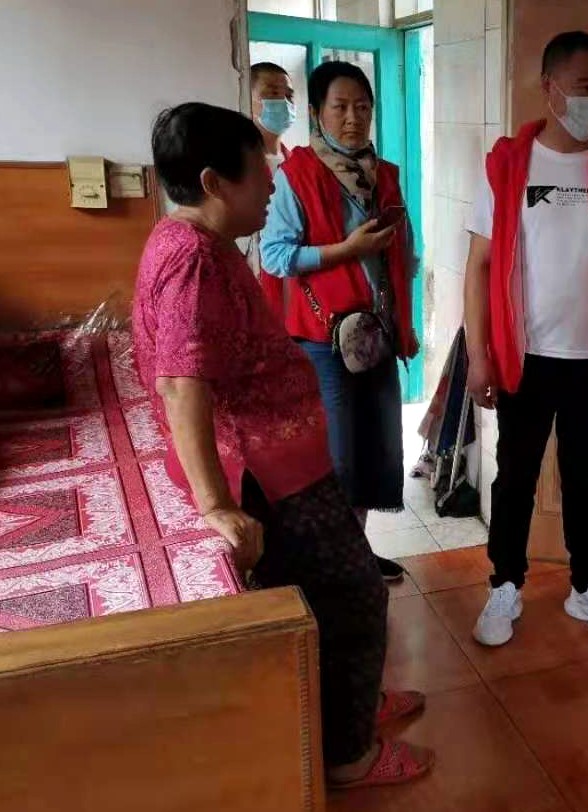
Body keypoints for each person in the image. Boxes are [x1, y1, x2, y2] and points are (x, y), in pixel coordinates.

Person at [134, 102, 433, 787]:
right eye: (258, 169)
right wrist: (217, 506)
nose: (273, 181)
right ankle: (350, 757)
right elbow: (181, 384)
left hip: (283, 460)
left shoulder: (188, 241)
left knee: (332, 600)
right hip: (269, 473)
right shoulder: (193, 261)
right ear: (214, 182)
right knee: (357, 597)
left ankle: (351, 706)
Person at [464, 31, 588, 647]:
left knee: (584, 478)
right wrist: (477, 357)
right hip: (523, 358)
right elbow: (478, 266)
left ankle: (586, 586)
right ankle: (504, 584)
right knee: (514, 476)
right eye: (583, 86)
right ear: (549, 88)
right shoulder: (507, 165)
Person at [260, 61, 419, 584]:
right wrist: (344, 251)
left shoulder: (385, 175)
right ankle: (334, 566)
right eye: (341, 106)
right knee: (340, 458)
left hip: (377, 334)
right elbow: (276, 257)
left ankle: (356, 555)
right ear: (316, 112)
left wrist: (404, 318)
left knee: (377, 451)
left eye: (363, 107)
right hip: (324, 341)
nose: (354, 118)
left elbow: (402, 251)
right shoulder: (297, 176)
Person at [241, 62, 294, 279]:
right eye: (272, 93)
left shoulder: (297, 165)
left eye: (289, 95)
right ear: (249, 99)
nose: (284, 102)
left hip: (290, 275)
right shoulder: (239, 167)